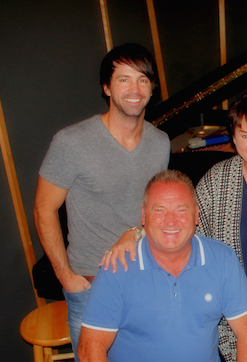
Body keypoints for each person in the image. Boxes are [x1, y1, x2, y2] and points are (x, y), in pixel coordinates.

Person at [102, 93, 247, 361]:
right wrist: (133, 233)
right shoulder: (219, 179)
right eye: (245, 135)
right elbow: (182, 220)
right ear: (233, 139)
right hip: (230, 308)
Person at [33, 43, 171, 356]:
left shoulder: (160, 142)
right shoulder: (71, 142)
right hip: (91, 283)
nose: (134, 89)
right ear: (106, 87)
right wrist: (66, 277)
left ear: (152, 88)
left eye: (142, 79)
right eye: (123, 79)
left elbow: (154, 211)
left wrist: (138, 235)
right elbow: (44, 209)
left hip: (146, 277)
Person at [77, 170, 247, 362]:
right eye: (159, 210)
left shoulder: (222, 259)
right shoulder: (117, 268)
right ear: (143, 216)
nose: (171, 221)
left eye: (181, 210)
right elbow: (90, 350)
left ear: (196, 215)